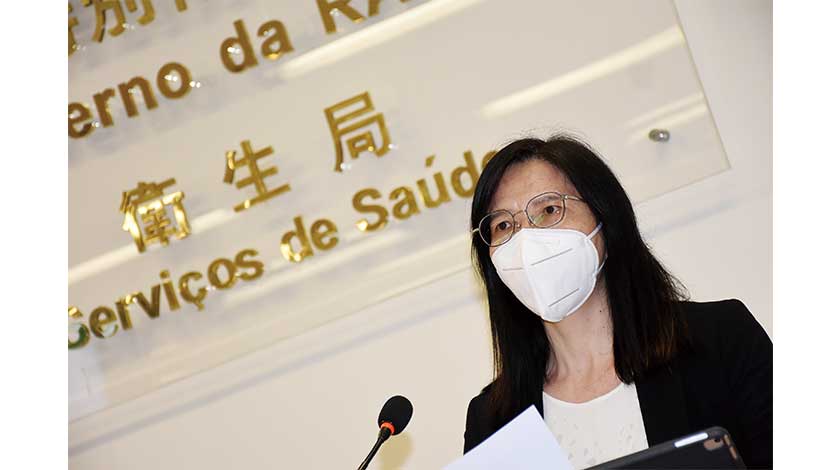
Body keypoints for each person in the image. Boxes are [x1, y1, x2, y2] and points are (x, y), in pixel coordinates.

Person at [462, 135, 772, 469]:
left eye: (549, 210)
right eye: (504, 225)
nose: (526, 239)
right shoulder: (492, 420)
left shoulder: (720, 340)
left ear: (605, 219)